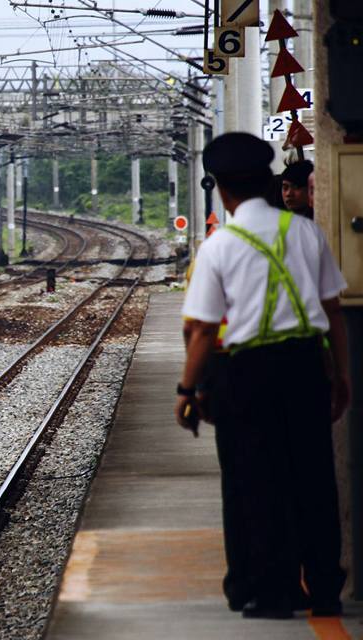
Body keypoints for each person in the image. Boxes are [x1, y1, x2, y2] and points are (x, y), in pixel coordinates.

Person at [176, 133, 350, 619]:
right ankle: (324, 589)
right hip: (304, 367)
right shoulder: (306, 233)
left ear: (221, 189)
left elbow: (204, 331)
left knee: (255, 481)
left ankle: (270, 591)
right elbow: (333, 311)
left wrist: (187, 390)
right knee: (313, 478)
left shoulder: (220, 246)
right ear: (268, 181)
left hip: (244, 372)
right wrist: (340, 374)